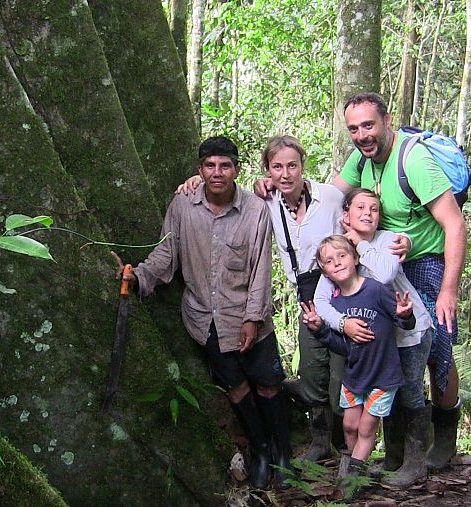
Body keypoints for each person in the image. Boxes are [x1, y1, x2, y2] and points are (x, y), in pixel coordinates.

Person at [176, 136, 410, 463]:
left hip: (344, 295)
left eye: (292, 165)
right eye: (277, 167)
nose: (285, 174)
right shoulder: (264, 201)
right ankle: (318, 443)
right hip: (308, 300)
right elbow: (227, 190)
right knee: (313, 372)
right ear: (267, 171)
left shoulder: (329, 197)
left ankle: (350, 450)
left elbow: (365, 214)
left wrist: (400, 241)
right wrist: (194, 182)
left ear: (302, 166)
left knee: (345, 376)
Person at [117, 136, 292, 490]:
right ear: (199, 170)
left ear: (236, 170)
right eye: (210, 166)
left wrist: (252, 318)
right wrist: (139, 276)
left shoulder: (255, 210)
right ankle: (259, 450)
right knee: (237, 388)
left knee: (269, 386)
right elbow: (167, 254)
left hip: (248, 318)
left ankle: (283, 455)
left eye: (225, 166)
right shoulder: (183, 205)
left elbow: (261, 269)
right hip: (205, 319)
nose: (217, 173)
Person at [333, 92, 467, 470]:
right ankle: (400, 452)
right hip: (384, 265)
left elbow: (455, 224)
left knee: (438, 349)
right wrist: (274, 188)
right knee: (392, 351)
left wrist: (448, 290)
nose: (362, 135)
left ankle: (443, 440)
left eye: (369, 125)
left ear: (387, 120)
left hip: (427, 264)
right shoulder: (362, 158)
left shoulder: (415, 160)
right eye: (354, 128)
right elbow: (330, 196)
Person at [313, 188, 433, 487]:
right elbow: (322, 299)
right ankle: (390, 461)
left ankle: (415, 462)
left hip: (409, 330)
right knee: (382, 403)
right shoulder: (337, 251)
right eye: (360, 208)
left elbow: (385, 274)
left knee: (409, 393)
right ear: (346, 215)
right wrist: (343, 324)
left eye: (374, 209)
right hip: (374, 339)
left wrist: (361, 246)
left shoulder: (388, 239)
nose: (367, 213)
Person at [301, 235, 416, 493]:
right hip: (355, 376)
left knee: (366, 428)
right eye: (329, 261)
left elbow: (404, 323)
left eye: (342, 256)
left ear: (355, 258)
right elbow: (344, 347)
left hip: (383, 376)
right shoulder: (337, 305)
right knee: (349, 425)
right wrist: (320, 330)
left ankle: (350, 484)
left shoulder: (375, 289)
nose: (337, 263)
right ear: (325, 271)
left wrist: (405, 315)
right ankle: (357, 467)